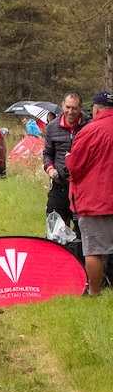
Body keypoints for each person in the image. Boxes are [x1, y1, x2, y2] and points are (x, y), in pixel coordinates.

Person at [65, 91, 113, 296]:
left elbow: (75, 167)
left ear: (96, 108)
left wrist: (68, 158)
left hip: (96, 198)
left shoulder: (90, 130)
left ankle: (94, 292)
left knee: (94, 248)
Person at [43, 92, 87, 246]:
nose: (70, 111)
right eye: (68, 107)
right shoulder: (52, 126)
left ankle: (81, 265)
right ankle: (57, 263)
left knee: (83, 230)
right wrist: (50, 169)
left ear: (80, 108)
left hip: (82, 187)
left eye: (74, 108)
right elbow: (47, 154)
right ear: (62, 105)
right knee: (55, 230)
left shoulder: (89, 125)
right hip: (59, 184)